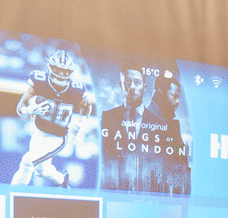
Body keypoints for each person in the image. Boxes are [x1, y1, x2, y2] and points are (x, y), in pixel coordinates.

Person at [10, 49, 95, 187]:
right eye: (58, 70)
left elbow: (87, 108)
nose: (61, 74)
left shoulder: (76, 89)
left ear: (70, 72)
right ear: (51, 68)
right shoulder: (39, 81)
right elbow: (20, 108)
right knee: (40, 170)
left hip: (57, 137)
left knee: (27, 162)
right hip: (38, 131)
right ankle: (62, 180)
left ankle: (11, 194)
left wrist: (80, 123)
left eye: (65, 71)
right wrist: (31, 109)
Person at [100, 66, 173, 192]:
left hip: (147, 194)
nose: (132, 87)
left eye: (137, 82)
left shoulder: (159, 124)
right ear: (121, 85)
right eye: (127, 82)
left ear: (144, 88)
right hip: (112, 191)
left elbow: (163, 166)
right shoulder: (107, 118)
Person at [150, 69, 190, 194]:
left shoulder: (172, 125)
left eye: (179, 97)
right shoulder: (145, 119)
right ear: (160, 93)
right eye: (174, 96)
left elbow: (181, 163)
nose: (177, 102)